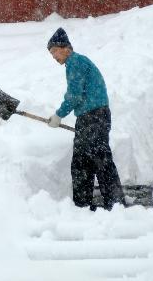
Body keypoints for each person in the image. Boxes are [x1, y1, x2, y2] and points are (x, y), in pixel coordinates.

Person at [46, 27, 126, 210]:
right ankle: (90, 204)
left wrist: (59, 115)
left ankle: (109, 204)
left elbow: (75, 95)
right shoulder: (76, 62)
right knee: (86, 161)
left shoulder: (75, 62)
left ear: (65, 47)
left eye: (54, 51)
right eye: (51, 54)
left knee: (96, 160)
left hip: (94, 117)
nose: (54, 56)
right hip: (92, 117)